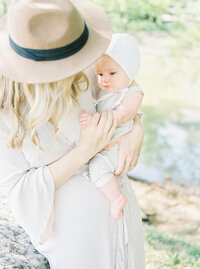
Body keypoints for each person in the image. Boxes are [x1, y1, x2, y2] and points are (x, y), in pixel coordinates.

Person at [0, 0, 145, 268]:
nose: (81, 66)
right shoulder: (5, 109)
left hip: (121, 215)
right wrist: (85, 150)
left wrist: (137, 127)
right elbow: (20, 191)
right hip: (77, 236)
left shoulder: (83, 69)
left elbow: (121, 94)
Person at [80, 33, 143, 220]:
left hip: (117, 145)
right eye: (100, 74)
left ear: (130, 70)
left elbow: (122, 114)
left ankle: (116, 198)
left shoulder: (133, 93)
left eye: (112, 73)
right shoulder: (105, 90)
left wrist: (94, 119)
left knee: (98, 166)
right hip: (107, 140)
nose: (104, 79)